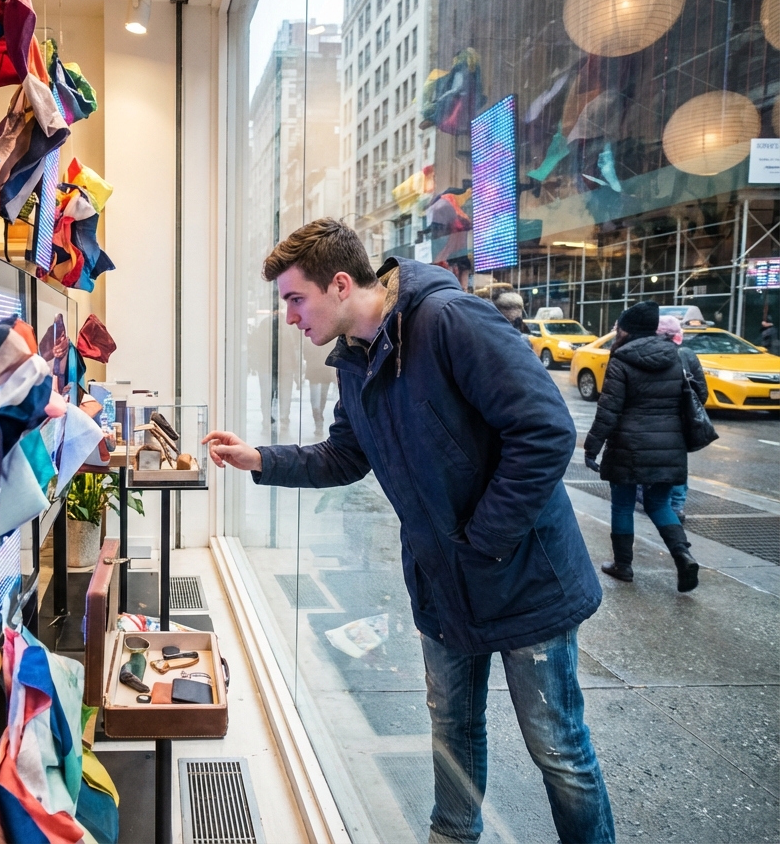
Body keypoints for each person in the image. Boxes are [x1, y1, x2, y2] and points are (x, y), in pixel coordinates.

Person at [203, 218, 613, 844]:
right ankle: (452, 836)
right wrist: (259, 458)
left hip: (526, 578)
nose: (289, 317)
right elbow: (347, 456)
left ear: (340, 284)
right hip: (442, 583)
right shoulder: (354, 358)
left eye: (294, 299)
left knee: (558, 749)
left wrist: (482, 543)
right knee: (453, 730)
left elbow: (547, 432)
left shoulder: (451, 321)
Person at [584, 301, 698, 592]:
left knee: (622, 504)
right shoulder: (676, 356)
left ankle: (623, 565)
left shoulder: (621, 359)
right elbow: (694, 398)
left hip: (628, 445)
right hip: (670, 444)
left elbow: (608, 410)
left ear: (627, 330)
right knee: (659, 503)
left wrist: (591, 447)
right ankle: (683, 555)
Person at [657, 314, 707, 523]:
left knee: (656, 461)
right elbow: (701, 392)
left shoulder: (652, 355)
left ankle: (660, 501)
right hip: (680, 422)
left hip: (657, 420)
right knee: (678, 465)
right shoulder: (687, 355)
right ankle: (677, 506)